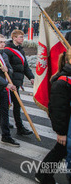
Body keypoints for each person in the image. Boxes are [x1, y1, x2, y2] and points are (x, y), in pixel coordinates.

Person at [35, 50, 71, 183]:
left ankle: (42, 174)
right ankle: (43, 175)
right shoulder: (62, 82)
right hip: (67, 126)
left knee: (60, 151)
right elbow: (57, 110)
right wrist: (61, 132)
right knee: (60, 150)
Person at [0, 34, 20, 147]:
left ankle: (6, 136)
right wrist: (6, 83)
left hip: (2, 88)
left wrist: (7, 70)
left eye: (4, 42)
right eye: (0, 42)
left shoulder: (4, 54)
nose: (3, 44)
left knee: (5, 113)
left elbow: (10, 69)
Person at [5, 29, 34, 136]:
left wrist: (31, 77)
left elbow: (25, 65)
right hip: (12, 81)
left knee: (8, 103)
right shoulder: (8, 50)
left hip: (18, 80)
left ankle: (3, 121)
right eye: (20, 37)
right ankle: (20, 127)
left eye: (22, 37)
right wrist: (10, 82)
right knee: (17, 104)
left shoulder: (20, 50)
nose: (23, 39)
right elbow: (8, 68)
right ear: (14, 38)